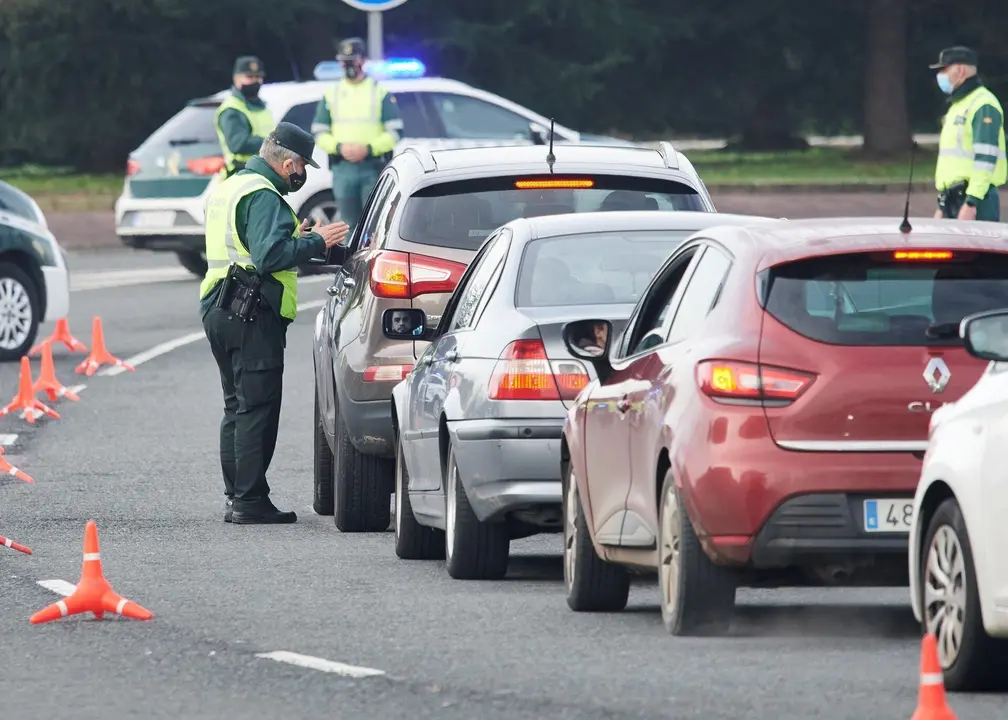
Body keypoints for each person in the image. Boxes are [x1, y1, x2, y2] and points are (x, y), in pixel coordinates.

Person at [200, 122, 349, 524]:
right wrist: (317, 241)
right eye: (302, 166)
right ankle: (250, 501)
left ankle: (236, 496)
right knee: (256, 409)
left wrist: (292, 236)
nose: (302, 174)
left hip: (219, 305)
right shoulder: (264, 195)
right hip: (251, 311)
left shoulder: (233, 186)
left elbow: (248, 242)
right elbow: (268, 257)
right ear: (287, 164)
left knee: (236, 406)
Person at [311, 37, 404, 233]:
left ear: (363, 60)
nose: (348, 65)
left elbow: (395, 132)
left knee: (375, 225)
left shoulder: (379, 92)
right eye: (344, 61)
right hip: (343, 169)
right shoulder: (332, 93)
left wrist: (368, 149)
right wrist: (339, 148)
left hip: (373, 167)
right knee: (348, 226)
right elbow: (319, 132)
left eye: (353, 60)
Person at [930, 46, 1007, 222]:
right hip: (953, 199)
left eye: (944, 69)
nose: (940, 75)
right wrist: (942, 206)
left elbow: (986, 159)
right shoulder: (958, 105)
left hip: (976, 201)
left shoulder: (983, 104)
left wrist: (971, 203)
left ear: (960, 70)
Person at [215, 56, 276, 179]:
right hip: (242, 173)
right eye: (250, 77)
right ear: (236, 79)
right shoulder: (232, 109)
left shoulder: (261, 106)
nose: (255, 81)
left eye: (258, 77)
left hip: (263, 172)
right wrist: (273, 143)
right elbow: (238, 144)